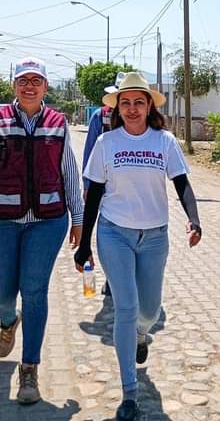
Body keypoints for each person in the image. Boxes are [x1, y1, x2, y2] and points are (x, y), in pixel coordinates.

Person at [74, 72, 202, 421]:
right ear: (118, 108)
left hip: (154, 238)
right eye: (126, 103)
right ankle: (129, 391)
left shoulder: (164, 142)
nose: (132, 109)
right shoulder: (106, 144)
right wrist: (84, 244)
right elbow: (95, 194)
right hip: (114, 234)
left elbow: (182, 184)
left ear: (149, 107)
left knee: (150, 311)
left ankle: (142, 336)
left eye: (139, 103)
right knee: (126, 308)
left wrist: (194, 219)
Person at [0, 57, 84, 405]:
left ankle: (29, 367)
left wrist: (78, 217)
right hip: (1, 219)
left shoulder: (57, 123)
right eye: (23, 80)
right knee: (0, 293)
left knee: (34, 290)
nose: (29, 86)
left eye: (36, 80)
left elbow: (69, 173)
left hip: (47, 221)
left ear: (46, 87)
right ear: (14, 85)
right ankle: (7, 319)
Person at [81, 72, 125, 297]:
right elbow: (90, 151)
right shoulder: (100, 117)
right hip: (101, 183)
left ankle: (118, 277)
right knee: (106, 229)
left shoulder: (141, 118)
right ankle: (111, 276)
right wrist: (87, 185)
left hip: (126, 187)